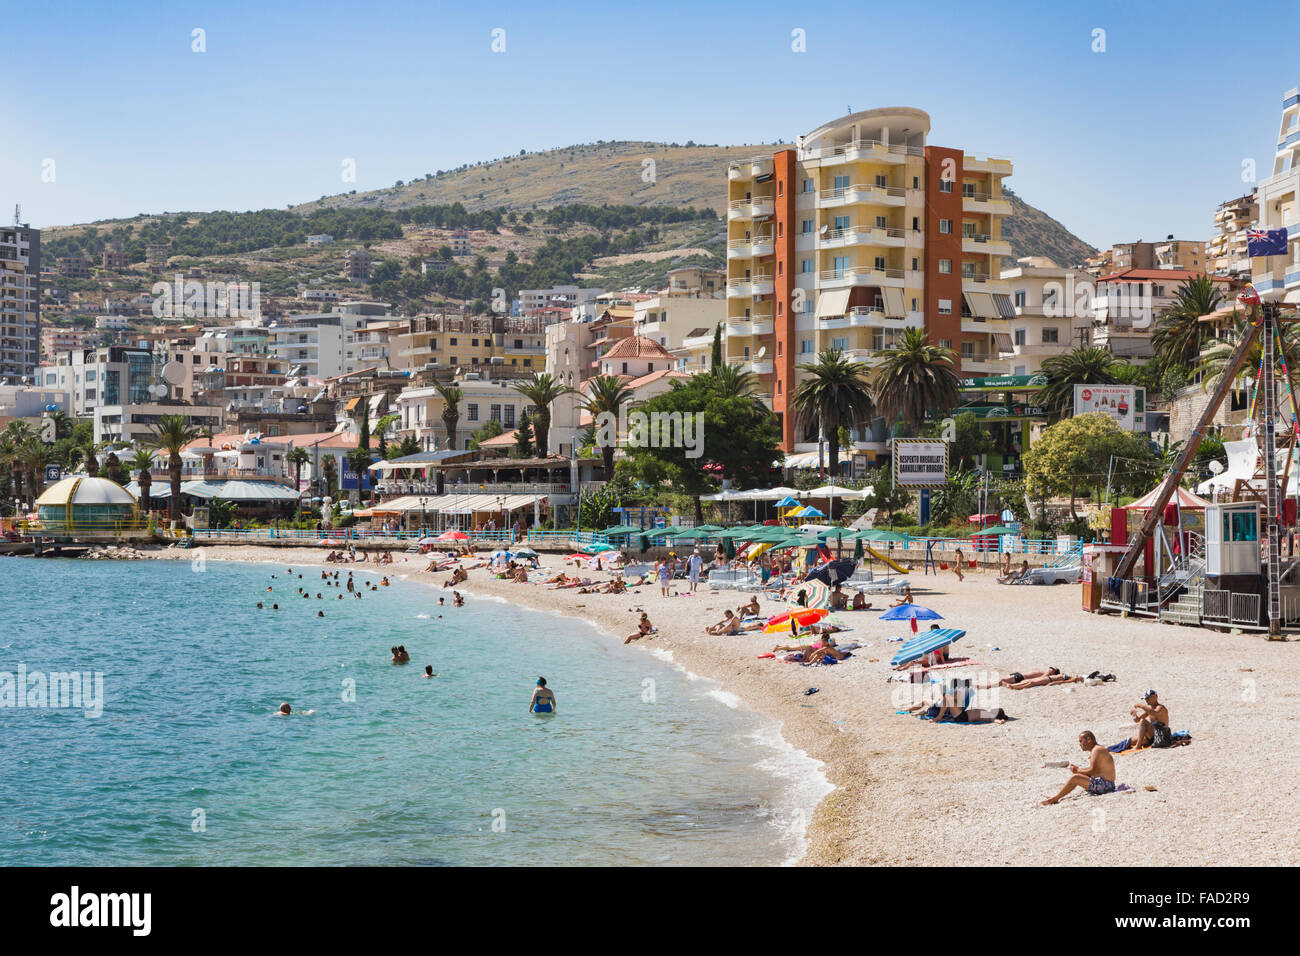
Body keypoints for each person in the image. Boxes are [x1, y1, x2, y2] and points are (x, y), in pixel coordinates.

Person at [1042, 731, 1117, 805]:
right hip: (1108, 785)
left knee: (1075, 778)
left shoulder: (1097, 750)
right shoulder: (1098, 749)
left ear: (1089, 740)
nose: (1080, 744)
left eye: (1081, 741)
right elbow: (1095, 770)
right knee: (1077, 776)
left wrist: (1078, 770)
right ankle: (1056, 797)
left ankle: (1055, 798)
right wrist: (1078, 770)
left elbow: (1093, 771)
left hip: (1106, 786)